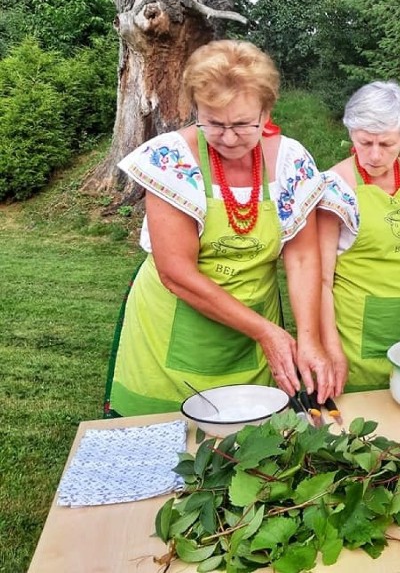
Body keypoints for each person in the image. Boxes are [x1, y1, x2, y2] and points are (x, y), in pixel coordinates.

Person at [104, 40, 338, 417]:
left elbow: (303, 258)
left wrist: (308, 340)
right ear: (195, 109)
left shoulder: (290, 162)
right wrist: (267, 332)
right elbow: (176, 273)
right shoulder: (170, 161)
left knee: (254, 452)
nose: (229, 138)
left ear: (267, 110)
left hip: (254, 338)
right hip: (173, 335)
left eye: (244, 124)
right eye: (213, 123)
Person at [317, 81, 400, 391]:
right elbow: (321, 280)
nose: (375, 156)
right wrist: (332, 349)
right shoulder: (336, 188)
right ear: (351, 133)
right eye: (365, 143)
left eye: (387, 144)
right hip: (356, 335)